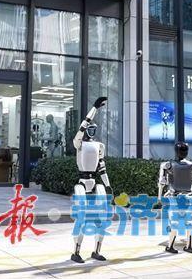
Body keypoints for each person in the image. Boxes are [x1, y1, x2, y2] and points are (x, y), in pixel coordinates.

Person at [70, 96, 113, 263]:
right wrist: (95, 108)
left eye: (94, 129)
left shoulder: (99, 146)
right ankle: (76, 251)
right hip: (82, 183)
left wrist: (108, 185)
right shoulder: (79, 143)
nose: (92, 131)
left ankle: (97, 250)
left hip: (95, 183)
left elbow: (102, 167)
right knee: (81, 218)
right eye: (90, 129)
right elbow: (83, 124)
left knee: (102, 218)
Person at [157, 135, 192, 254]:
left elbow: (161, 182)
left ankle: (172, 246)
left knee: (177, 223)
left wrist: (159, 197)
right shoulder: (189, 164)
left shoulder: (168, 165)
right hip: (186, 198)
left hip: (176, 198)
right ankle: (186, 246)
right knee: (188, 222)